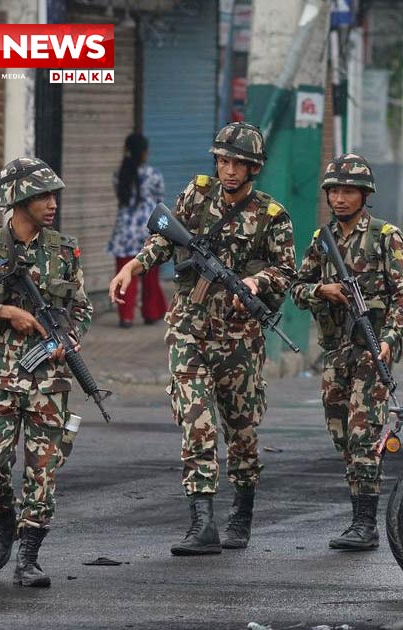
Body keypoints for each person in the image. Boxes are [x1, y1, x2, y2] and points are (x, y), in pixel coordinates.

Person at [107, 122, 296, 555]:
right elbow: (163, 238)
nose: (229, 171)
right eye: (224, 161)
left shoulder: (272, 216)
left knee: (242, 430)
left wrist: (255, 282)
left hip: (239, 338)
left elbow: (287, 272)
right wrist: (134, 268)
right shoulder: (196, 194)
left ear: (254, 168)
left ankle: (241, 514)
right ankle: (202, 523)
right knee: (196, 421)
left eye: (239, 164)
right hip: (188, 326)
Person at [0, 157, 91, 588]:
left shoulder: (64, 251)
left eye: (53, 195)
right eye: (42, 195)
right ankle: (4, 522)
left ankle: (29, 557)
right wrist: (5, 312)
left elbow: (82, 307)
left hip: (49, 378)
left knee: (42, 471)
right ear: (17, 199)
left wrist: (69, 335)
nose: (51, 203)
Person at [291, 154, 403, 551]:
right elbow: (295, 287)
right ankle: (358, 516)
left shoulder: (384, 236)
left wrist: (389, 339)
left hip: (370, 351)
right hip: (336, 353)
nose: (341, 199)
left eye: (349, 191)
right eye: (335, 191)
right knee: (341, 433)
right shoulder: (321, 240)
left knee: (364, 435)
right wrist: (321, 291)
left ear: (365, 195)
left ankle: (365, 524)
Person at [107, 132, 167, 328]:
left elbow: (120, 198)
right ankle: (151, 313)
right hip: (148, 230)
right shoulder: (154, 175)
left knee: (125, 274)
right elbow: (160, 200)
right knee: (150, 274)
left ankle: (126, 317)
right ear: (144, 152)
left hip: (124, 232)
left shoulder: (119, 174)